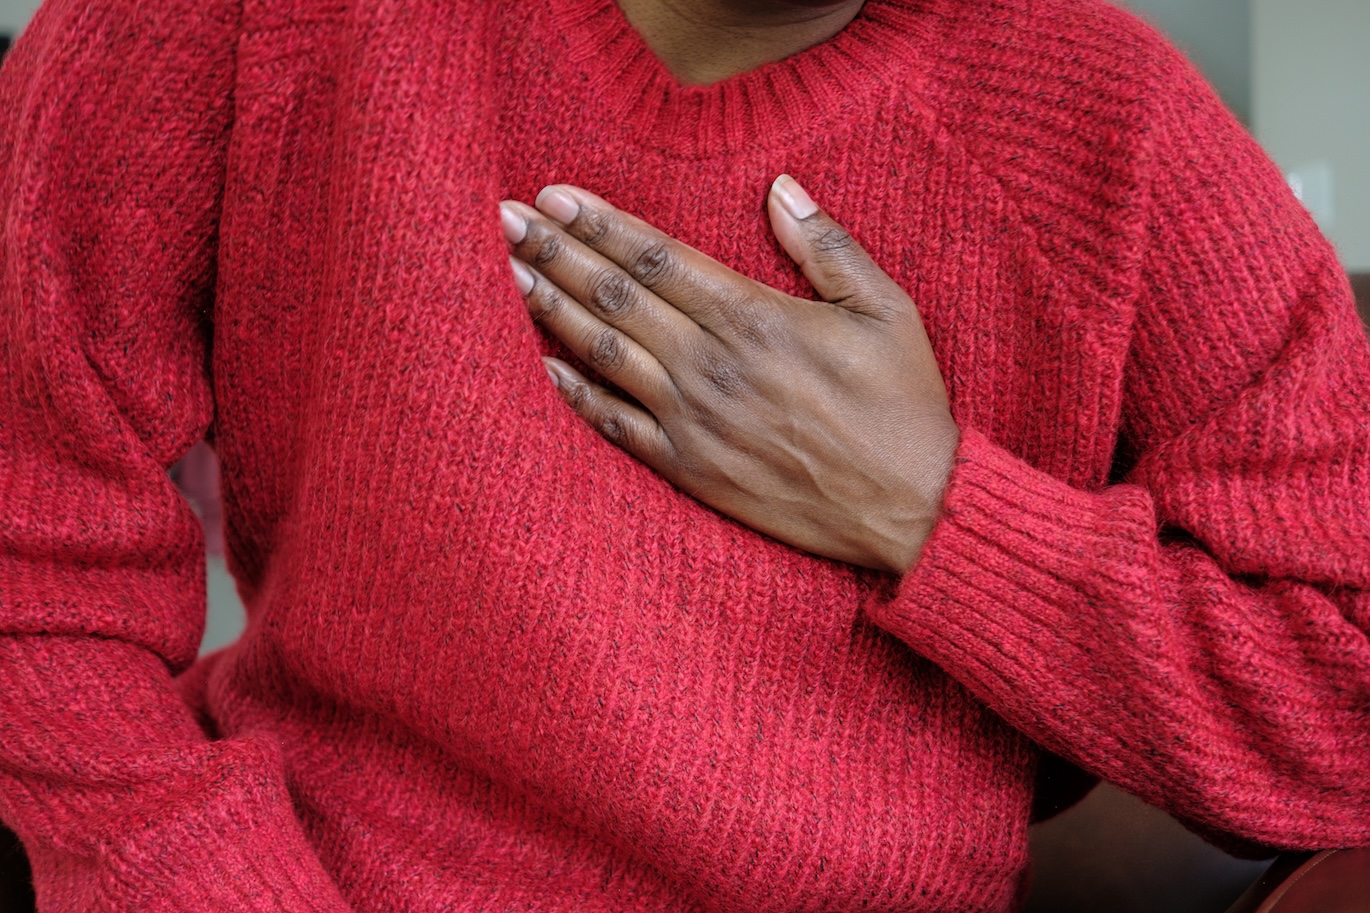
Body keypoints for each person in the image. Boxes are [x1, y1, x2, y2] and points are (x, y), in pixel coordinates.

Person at [0, 0, 1366, 910]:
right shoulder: (244, 24)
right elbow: (30, 563)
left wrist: (934, 509)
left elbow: (1343, 696)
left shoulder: (1112, 122)